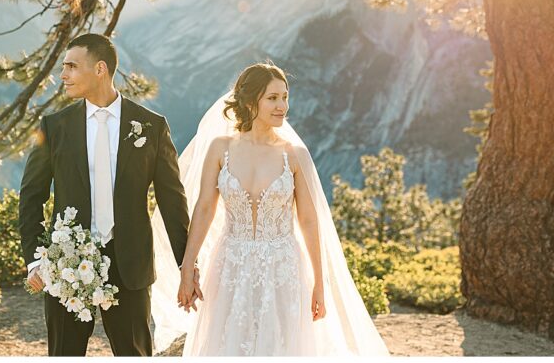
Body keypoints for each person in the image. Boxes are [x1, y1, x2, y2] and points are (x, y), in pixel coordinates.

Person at [150, 62, 391, 356]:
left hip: (283, 266)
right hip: (229, 265)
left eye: (285, 97)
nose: (282, 106)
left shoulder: (294, 155)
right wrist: (188, 267)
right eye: (272, 98)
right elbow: (203, 210)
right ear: (251, 101)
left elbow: (309, 220)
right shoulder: (220, 148)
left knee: (281, 346)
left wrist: (319, 283)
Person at [19, 33, 194, 356]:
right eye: (63, 67)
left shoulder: (151, 126)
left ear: (100, 69)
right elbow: (31, 196)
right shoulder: (55, 126)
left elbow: (172, 200)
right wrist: (35, 258)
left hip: (130, 267)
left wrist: (187, 265)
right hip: (67, 265)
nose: (63, 75)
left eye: (72, 66)